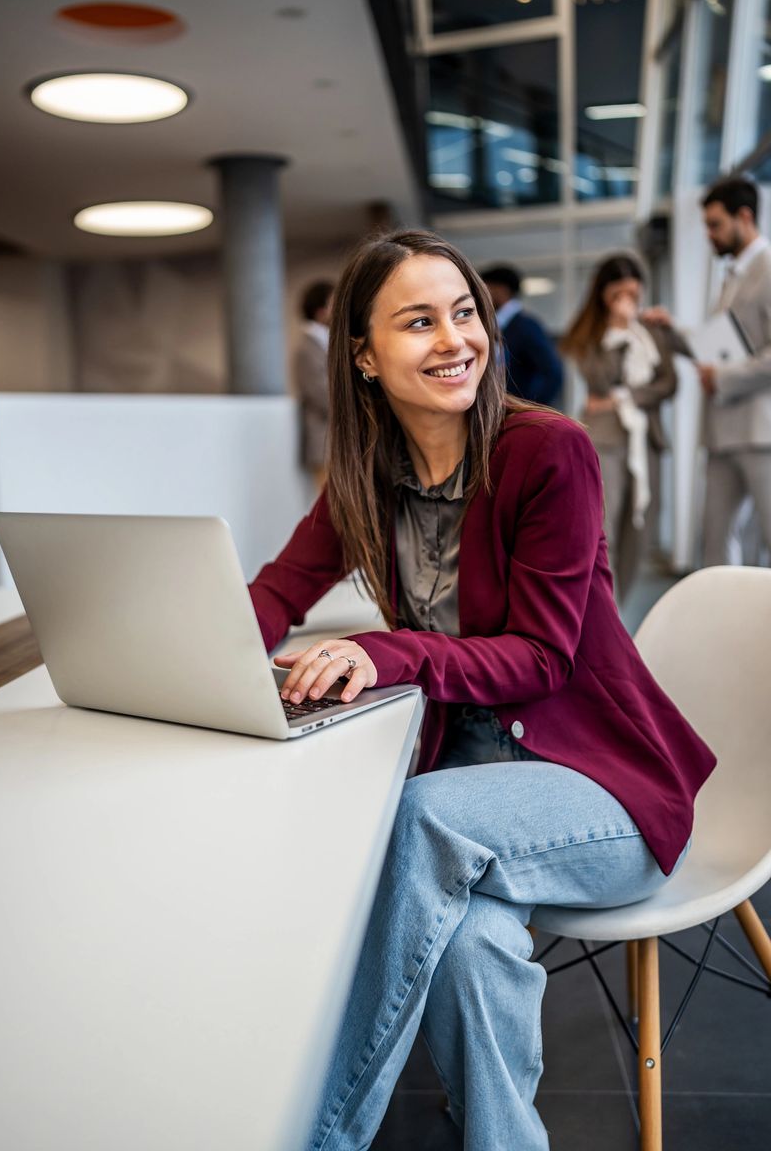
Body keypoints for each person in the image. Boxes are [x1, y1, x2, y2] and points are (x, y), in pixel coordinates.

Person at [248, 230, 715, 1150]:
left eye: (464, 314)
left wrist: (394, 649)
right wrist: (212, 652)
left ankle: (319, 1134)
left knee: (419, 819)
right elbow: (279, 590)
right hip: (476, 784)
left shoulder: (550, 452)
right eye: (419, 322)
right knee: (467, 946)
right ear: (364, 355)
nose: (456, 339)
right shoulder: (365, 472)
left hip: (603, 785)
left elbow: (542, 656)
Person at [563, 254, 684, 602]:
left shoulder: (651, 332)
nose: (629, 301)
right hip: (605, 439)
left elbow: (669, 383)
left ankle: (618, 608)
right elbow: (599, 383)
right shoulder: (591, 335)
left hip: (647, 441)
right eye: (619, 294)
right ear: (604, 295)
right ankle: (607, 616)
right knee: (605, 530)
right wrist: (616, 330)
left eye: (634, 292)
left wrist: (624, 396)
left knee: (639, 534)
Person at [698, 176, 771, 566]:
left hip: (762, 433)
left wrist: (722, 378)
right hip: (724, 434)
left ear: (744, 216)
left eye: (715, 224)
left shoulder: (768, 266)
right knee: (715, 545)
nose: (710, 235)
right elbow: (721, 345)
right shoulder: (732, 276)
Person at [480, 263, 564, 405]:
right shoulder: (496, 324)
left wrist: (532, 408)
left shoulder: (525, 326)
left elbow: (553, 373)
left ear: (502, 290)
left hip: (518, 412)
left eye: (486, 289)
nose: (481, 297)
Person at [293, 279, 335, 489]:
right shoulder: (307, 348)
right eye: (332, 304)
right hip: (323, 441)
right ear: (320, 310)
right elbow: (320, 394)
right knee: (330, 508)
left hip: (334, 439)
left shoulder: (324, 342)